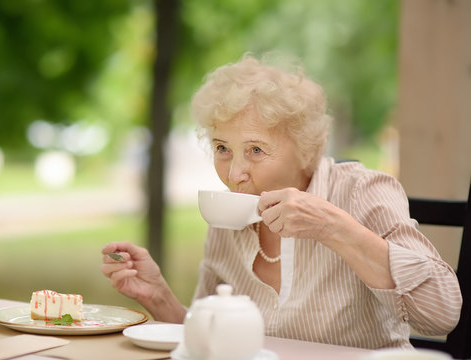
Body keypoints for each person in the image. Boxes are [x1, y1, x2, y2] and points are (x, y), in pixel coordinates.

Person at [101, 53, 462, 349]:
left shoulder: (362, 192)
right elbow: (212, 345)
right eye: (223, 148)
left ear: (305, 150)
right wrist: (157, 296)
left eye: (256, 150)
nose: (235, 173)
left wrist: (333, 227)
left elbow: (442, 312)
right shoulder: (230, 217)